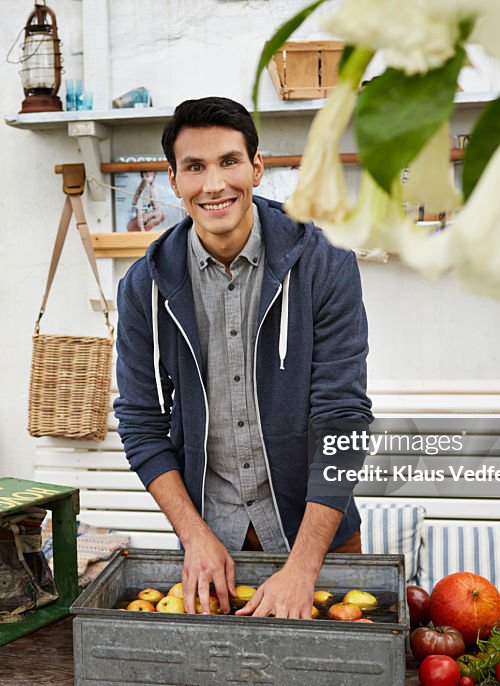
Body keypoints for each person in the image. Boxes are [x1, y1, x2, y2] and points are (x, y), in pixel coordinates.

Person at [113, 96, 372, 620]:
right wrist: (195, 537)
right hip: (211, 551)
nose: (214, 185)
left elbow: (342, 420)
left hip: (319, 546)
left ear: (256, 168)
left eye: (229, 161)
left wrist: (302, 568)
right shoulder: (143, 286)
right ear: (173, 179)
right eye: (195, 167)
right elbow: (141, 425)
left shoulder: (326, 265)